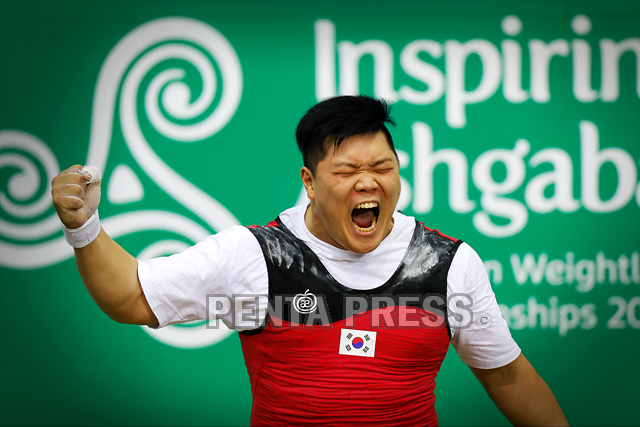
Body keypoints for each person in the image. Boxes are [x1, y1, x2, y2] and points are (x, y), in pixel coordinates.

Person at [51, 95, 568, 426]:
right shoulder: (256, 255)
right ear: (309, 183)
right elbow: (131, 295)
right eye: (346, 171)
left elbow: (509, 378)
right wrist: (84, 227)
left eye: (383, 167)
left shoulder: (449, 263)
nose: (368, 182)